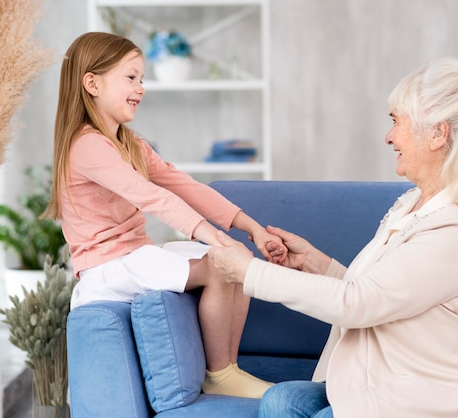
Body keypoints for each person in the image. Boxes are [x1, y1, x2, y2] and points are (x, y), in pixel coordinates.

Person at [208, 58, 458, 417]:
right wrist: (317, 265)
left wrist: (248, 272)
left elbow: (360, 303)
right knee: (282, 401)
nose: (389, 136)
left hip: (444, 394)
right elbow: (385, 296)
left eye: (397, 122)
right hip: (399, 377)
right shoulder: (414, 203)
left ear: (439, 133)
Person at [42, 31, 286, 399]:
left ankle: (229, 368)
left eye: (142, 78)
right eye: (130, 77)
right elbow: (150, 196)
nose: (141, 87)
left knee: (239, 259)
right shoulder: (86, 145)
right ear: (91, 83)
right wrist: (208, 235)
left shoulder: (130, 143)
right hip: (108, 267)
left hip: (135, 256)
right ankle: (220, 374)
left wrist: (251, 229)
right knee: (221, 264)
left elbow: (185, 186)